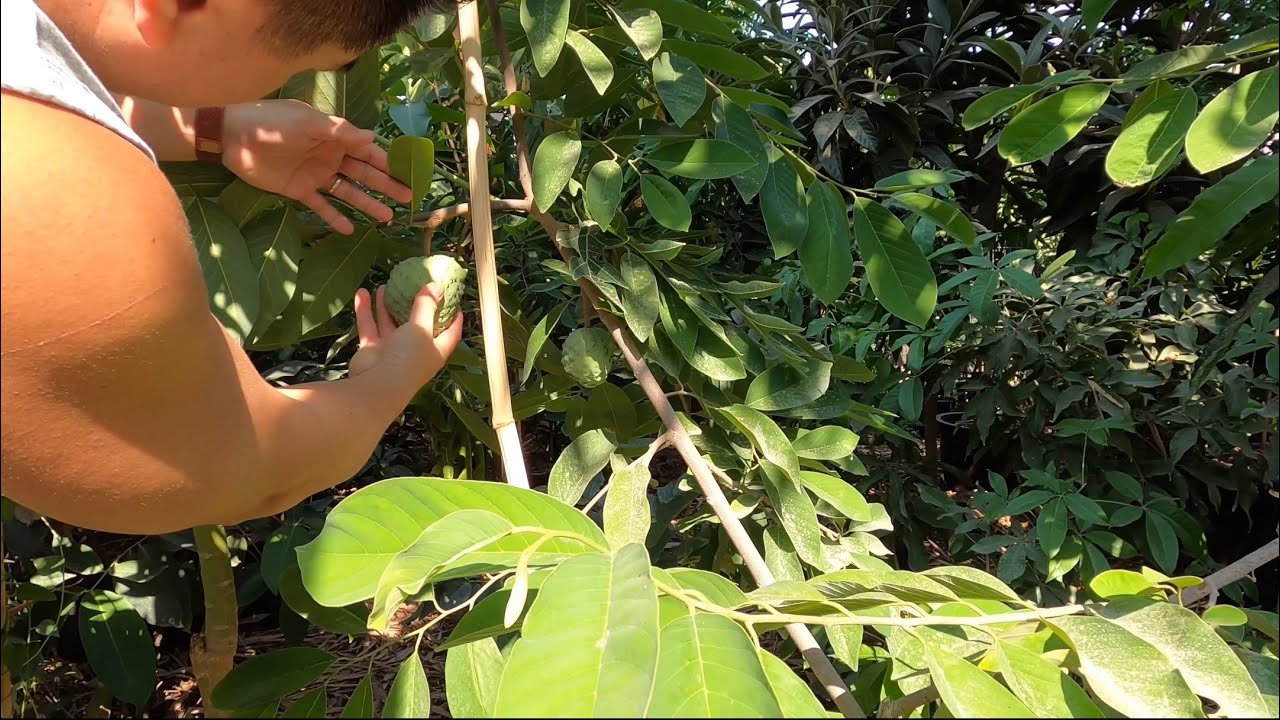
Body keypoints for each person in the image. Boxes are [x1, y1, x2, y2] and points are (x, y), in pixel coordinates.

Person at [0, 0, 462, 535]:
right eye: (296, 66)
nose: (288, 86)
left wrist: (216, 130)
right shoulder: (66, 199)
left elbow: (48, 66)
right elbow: (235, 469)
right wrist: (391, 381)